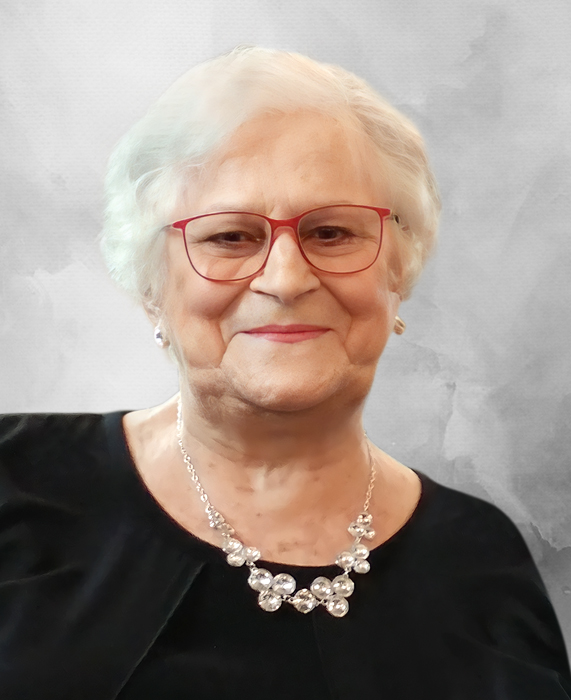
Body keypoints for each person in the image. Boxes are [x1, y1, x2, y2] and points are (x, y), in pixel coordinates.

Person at [0, 46, 569, 700]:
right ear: (152, 284)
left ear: (397, 272)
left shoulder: (481, 559)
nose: (287, 279)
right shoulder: (15, 482)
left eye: (331, 233)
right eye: (230, 236)